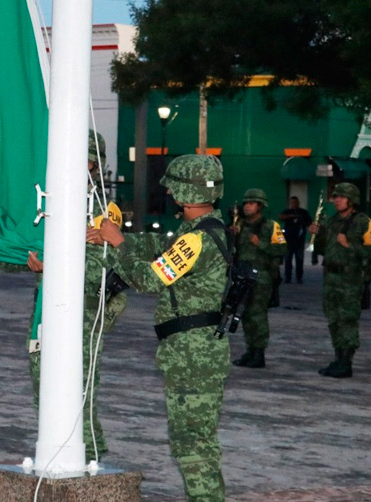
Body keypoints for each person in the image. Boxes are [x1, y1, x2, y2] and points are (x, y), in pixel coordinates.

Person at [0, 130, 128, 464]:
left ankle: (90, 462)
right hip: (46, 312)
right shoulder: (49, 203)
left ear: (93, 165)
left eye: (80, 159)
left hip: (83, 318)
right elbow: (27, 253)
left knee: (79, 395)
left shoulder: (102, 211)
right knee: (45, 390)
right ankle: (55, 457)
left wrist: (53, 267)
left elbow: (106, 266)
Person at [97, 154, 229, 502]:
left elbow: (150, 280)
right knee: (194, 438)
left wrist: (118, 243)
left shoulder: (196, 240)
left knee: (192, 441)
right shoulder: (202, 231)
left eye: (173, 188)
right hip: (193, 350)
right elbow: (160, 247)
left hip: (193, 353)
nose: (169, 194)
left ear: (184, 193)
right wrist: (112, 237)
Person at [309, 182, 371, 378]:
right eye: (336, 196)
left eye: (342, 197)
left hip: (350, 279)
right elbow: (324, 249)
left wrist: (349, 244)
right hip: (331, 277)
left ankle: (346, 361)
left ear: (352, 200)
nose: (337, 200)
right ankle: (338, 357)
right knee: (334, 320)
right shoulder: (331, 222)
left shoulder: (362, 222)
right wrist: (317, 234)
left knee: (347, 320)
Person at [232, 188, 286, 369]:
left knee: (258, 315)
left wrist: (260, 244)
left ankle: (259, 353)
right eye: (246, 203)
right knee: (244, 314)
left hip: (261, 277)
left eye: (252, 203)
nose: (248, 206)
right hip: (243, 275)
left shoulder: (270, 226)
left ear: (260, 206)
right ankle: (250, 350)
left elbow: (281, 250)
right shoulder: (240, 224)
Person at [279, 196, 311, 284]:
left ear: (298, 203)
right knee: (288, 260)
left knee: (299, 260)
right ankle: (288, 277)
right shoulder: (287, 212)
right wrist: (290, 216)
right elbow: (281, 217)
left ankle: (299, 277)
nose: (294, 204)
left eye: (295, 202)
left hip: (299, 240)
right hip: (289, 240)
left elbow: (309, 222)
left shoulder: (303, 212)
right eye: (292, 202)